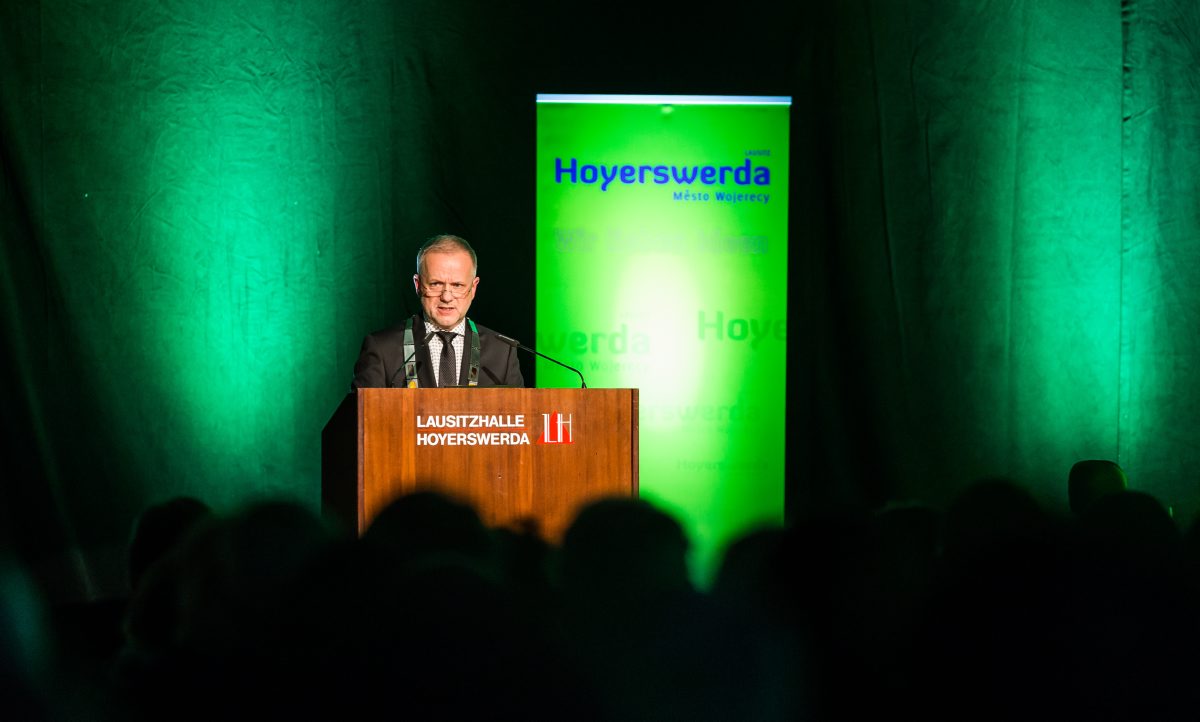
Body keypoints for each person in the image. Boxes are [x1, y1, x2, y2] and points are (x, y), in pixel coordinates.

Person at [352, 234, 523, 389]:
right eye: (436, 284)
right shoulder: (382, 349)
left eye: (457, 285)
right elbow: (360, 419)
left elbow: (521, 419)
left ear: (473, 288)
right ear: (418, 285)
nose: (447, 297)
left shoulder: (502, 352)